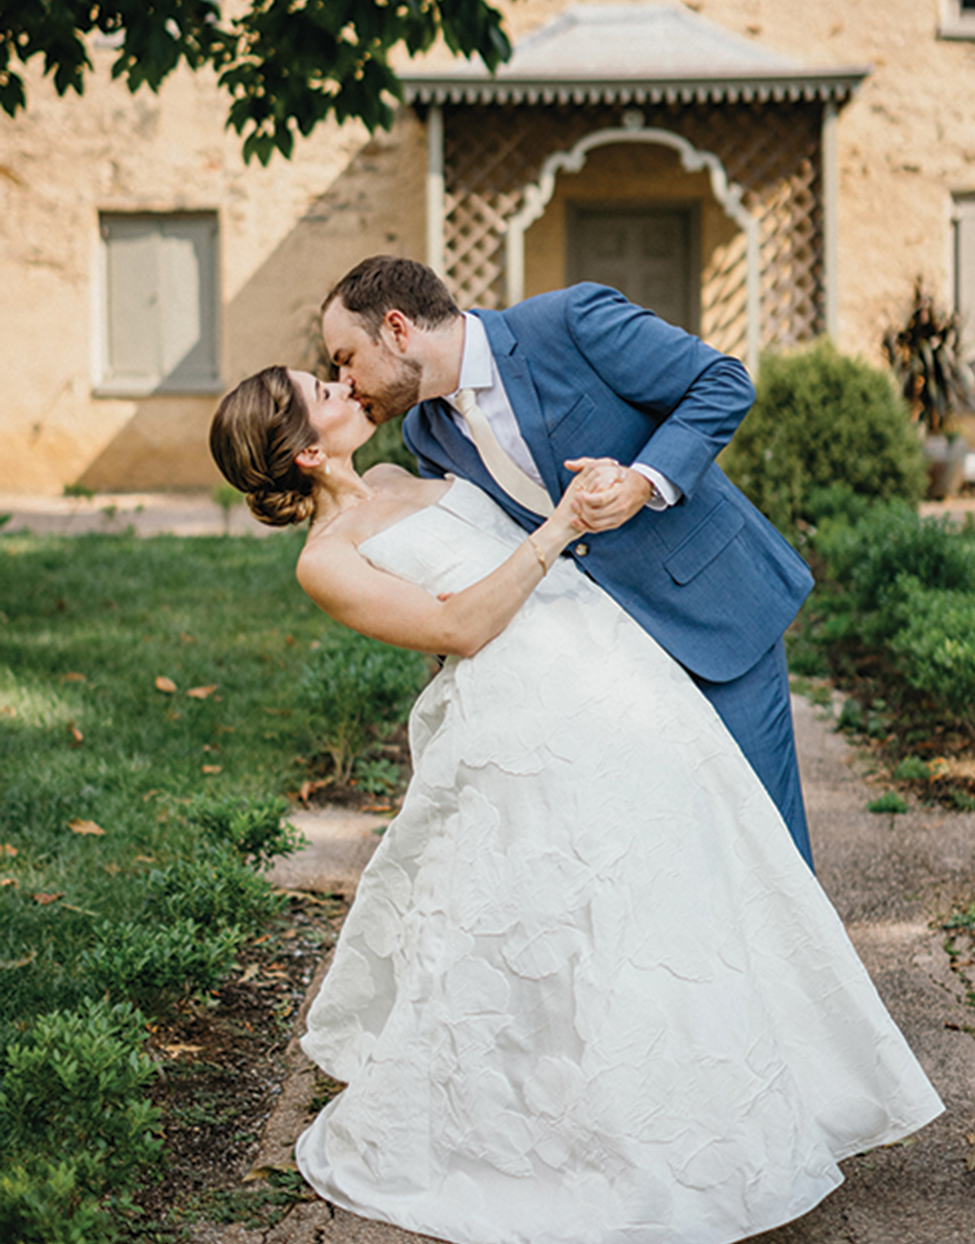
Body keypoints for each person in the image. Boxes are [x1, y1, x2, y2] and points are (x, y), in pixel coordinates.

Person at [208, 365, 942, 1244]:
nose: (341, 380)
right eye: (321, 388)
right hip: (526, 717)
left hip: (612, 666)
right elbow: (459, 628)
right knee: (566, 921)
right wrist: (561, 527)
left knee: (684, 885)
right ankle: (602, 1137)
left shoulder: (409, 470)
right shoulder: (326, 561)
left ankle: (761, 1095)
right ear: (307, 450)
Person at [317, 256, 819, 865]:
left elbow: (722, 381)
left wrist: (643, 481)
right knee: (676, 854)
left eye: (345, 358)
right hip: (610, 661)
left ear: (397, 329)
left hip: (714, 611)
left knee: (765, 844)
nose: (345, 382)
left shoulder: (569, 321)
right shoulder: (427, 435)